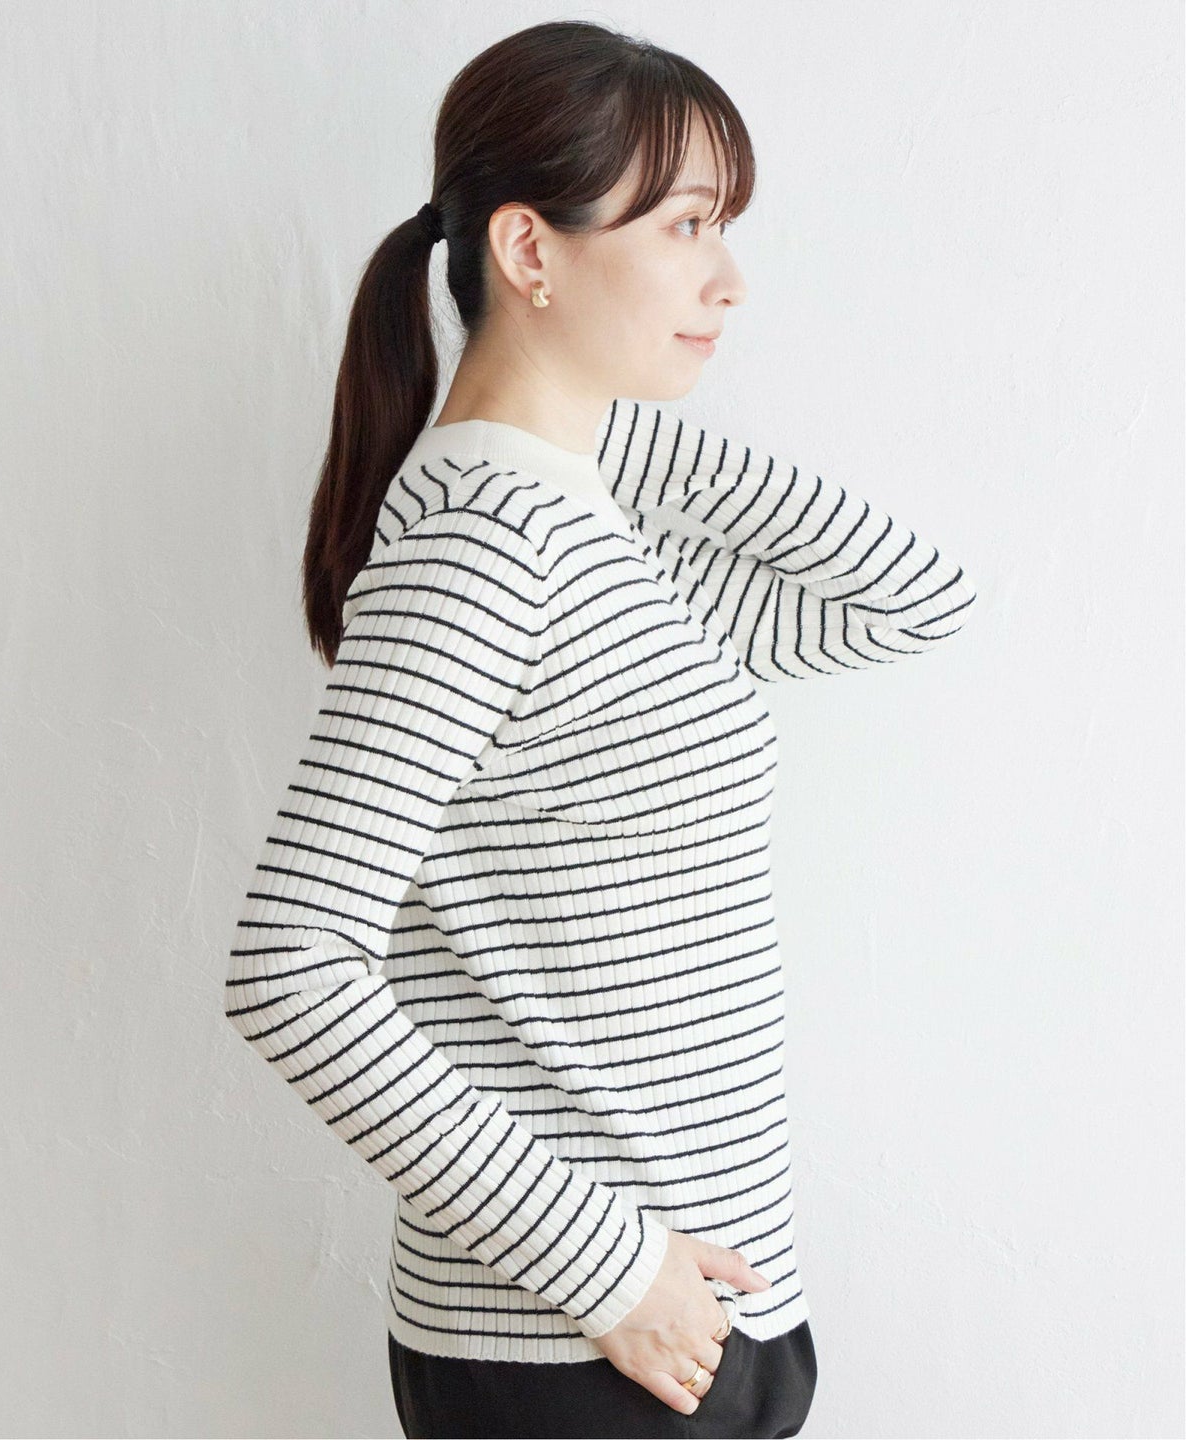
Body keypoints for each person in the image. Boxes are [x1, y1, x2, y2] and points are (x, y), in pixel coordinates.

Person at [223, 19, 976, 1439]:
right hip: (578, 1346)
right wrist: (612, 1271)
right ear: (530, 249)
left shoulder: (586, 522)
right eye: (687, 225)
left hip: (710, 1319)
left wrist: (580, 420)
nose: (728, 278)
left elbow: (909, 596)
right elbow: (292, 966)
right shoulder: (484, 544)